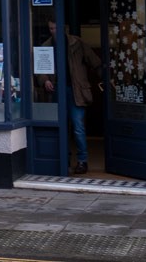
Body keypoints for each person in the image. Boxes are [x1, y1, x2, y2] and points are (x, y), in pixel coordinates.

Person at [42, 20, 103, 175]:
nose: (53, 31)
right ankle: (65, 159)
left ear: (63, 28)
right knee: (61, 127)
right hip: (57, 90)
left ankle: (82, 161)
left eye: (55, 28)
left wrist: (105, 78)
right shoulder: (45, 47)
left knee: (78, 127)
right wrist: (45, 80)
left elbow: (95, 61)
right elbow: (40, 68)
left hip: (76, 90)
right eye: (50, 28)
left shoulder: (77, 43)